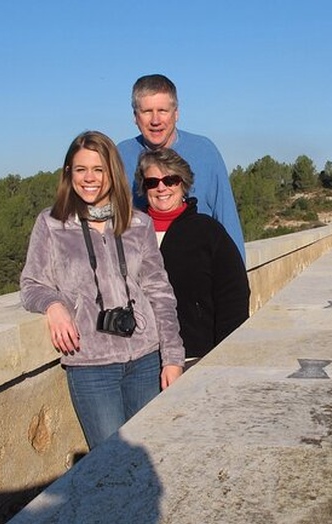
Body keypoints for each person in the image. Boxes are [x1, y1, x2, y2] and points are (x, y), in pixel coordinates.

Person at [20, 130, 184, 450]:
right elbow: (31, 284)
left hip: (146, 358)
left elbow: (159, 292)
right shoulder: (52, 224)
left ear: (112, 172)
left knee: (151, 453)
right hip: (91, 365)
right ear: (69, 173)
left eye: (99, 169)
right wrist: (53, 305)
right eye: (81, 169)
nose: (90, 178)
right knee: (111, 460)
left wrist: (173, 358)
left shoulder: (137, 223)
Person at [135, 147, 250, 364]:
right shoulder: (128, 232)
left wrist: (223, 356)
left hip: (196, 356)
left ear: (183, 183)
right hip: (142, 363)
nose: (162, 188)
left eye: (170, 180)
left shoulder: (208, 232)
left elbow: (234, 296)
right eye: (152, 182)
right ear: (144, 187)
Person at [118, 73, 247, 263]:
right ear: (135, 117)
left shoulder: (205, 151)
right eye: (147, 111)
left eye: (162, 110)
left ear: (176, 113)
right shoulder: (119, 156)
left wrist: (238, 276)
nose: (155, 120)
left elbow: (226, 217)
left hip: (199, 272)